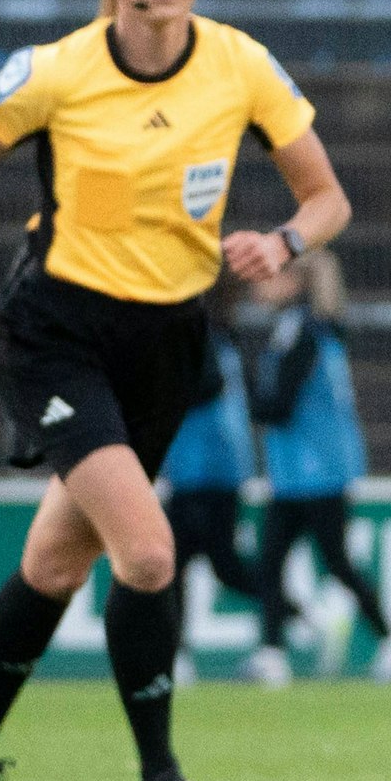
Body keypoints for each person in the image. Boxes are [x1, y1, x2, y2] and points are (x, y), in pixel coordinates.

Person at [0, 0, 353, 781]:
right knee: (147, 553)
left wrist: (283, 243)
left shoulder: (240, 66)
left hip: (167, 344)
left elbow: (326, 197)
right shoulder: (56, 72)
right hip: (55, 335)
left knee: (56, 560)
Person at [246, 248, 391, 684]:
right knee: (288, 562)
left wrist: (243, 391)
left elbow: (279, 406)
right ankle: (275, 651)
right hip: (309, 471)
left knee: (325, 562)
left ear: (295, 282)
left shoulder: (300, 332)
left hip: (311, 471)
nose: (259, 284)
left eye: (272, 275)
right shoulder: (316, 330)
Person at [160, 281, 260, 656]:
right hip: (212, 467)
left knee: (178, 563)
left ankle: (176, 653)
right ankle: (291, 611)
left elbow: (206, 386)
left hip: (203, 469)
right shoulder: (223, 335)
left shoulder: (195, 332)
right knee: (212, 564)